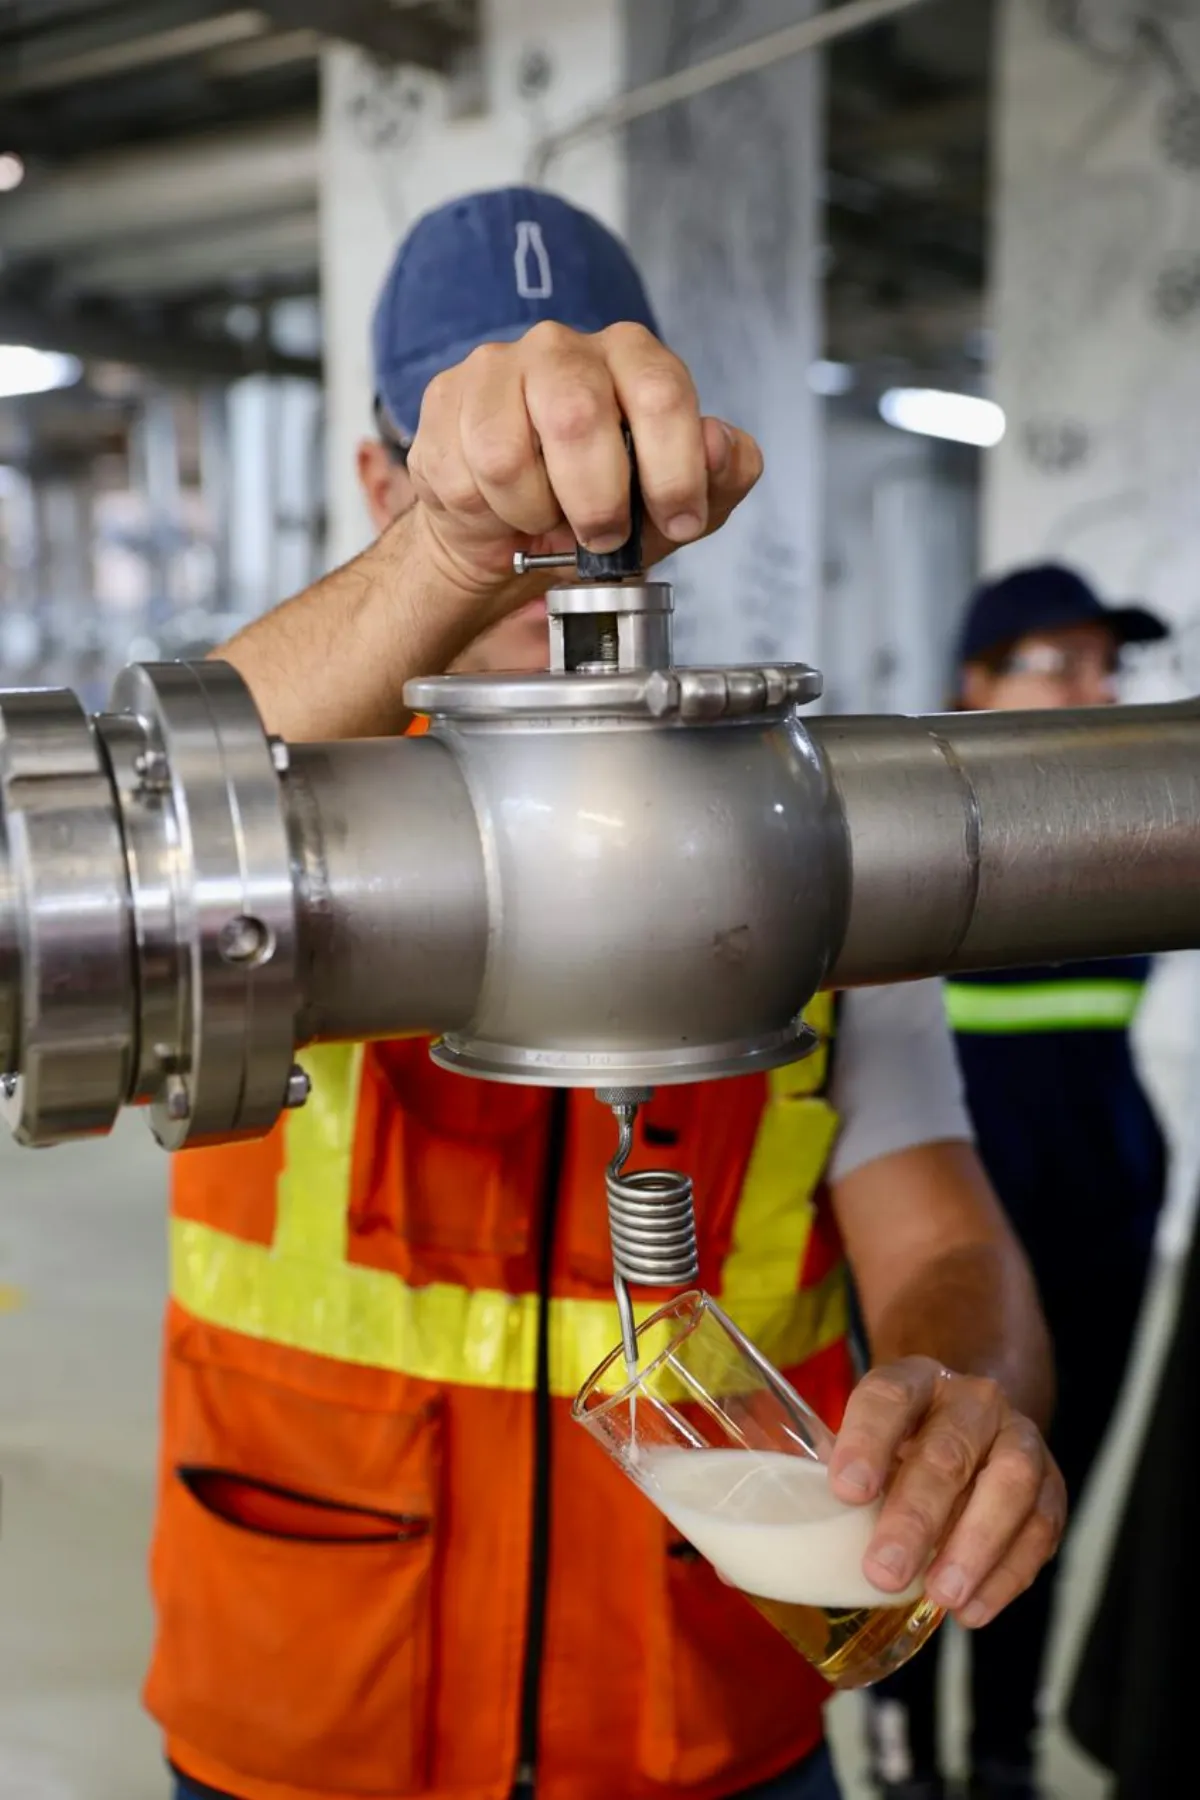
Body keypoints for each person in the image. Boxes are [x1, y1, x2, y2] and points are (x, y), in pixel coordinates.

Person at [154, 188, 1065, 1800]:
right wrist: (442, 550)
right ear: (380, 474)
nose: (549, 533)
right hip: (312, 1719)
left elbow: (945, 1241)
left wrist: (966, 1389)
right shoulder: (278, 817)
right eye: (477, 471)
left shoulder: (798, 848)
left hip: (694, 1731)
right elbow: (139, 834)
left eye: (592, 485)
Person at [866, 563, 1170, 1800]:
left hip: (1101, 1198)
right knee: (904, 1469)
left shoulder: (1144, 832)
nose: (1093, 689)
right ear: (974, 687)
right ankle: (902, 1745)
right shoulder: (907, 847)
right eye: (1058, 662)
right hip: (927, 1193)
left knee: (1039, 1478)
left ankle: (1002, 1751)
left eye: (1106, 663)